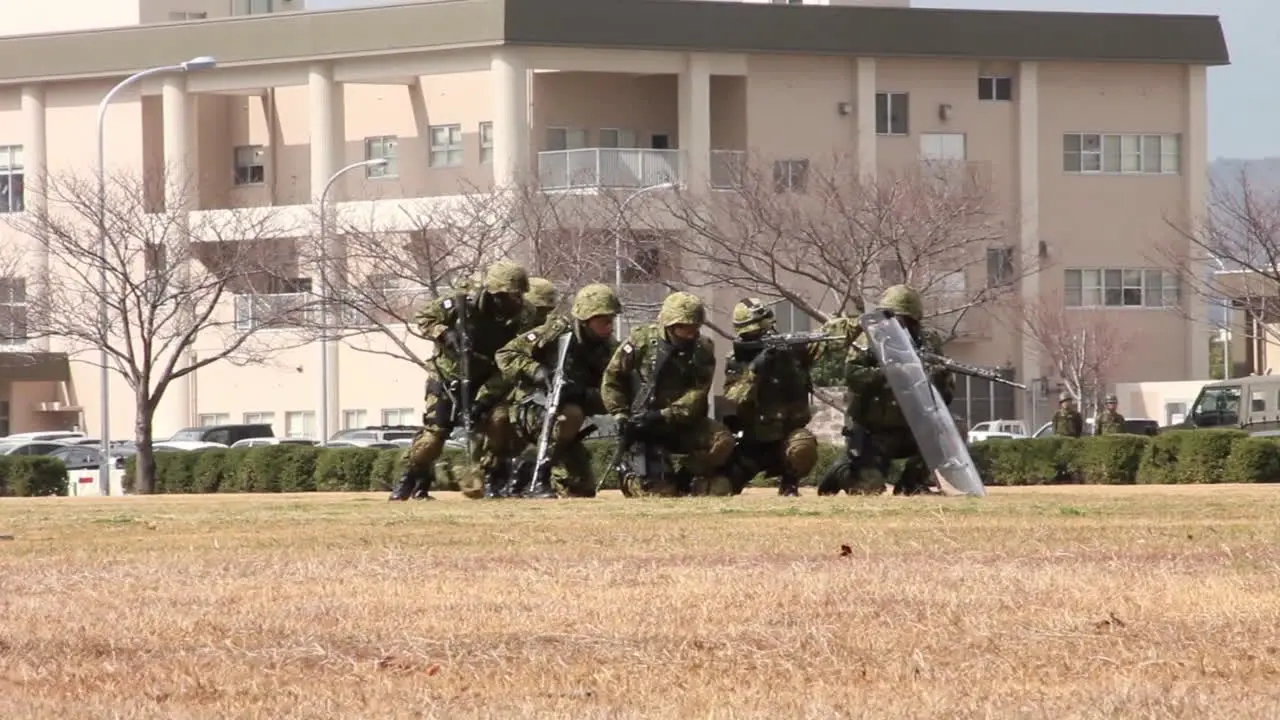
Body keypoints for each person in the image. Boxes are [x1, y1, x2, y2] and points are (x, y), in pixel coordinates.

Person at [388, 260, 530, 501]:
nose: (516, 301)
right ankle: (411, 479)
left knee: (501, 421)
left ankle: (492, 478)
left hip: (489, 379)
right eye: (511, 296)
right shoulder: (462, 303)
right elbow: (424, 318)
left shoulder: (523, 316)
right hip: (447, 376)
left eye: (519, 295)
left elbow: (513, 360)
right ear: (495, 293)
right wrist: (446, 334)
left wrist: (484, 400)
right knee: (433, 437)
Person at [487, 283, 622, 498]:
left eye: (611, 320)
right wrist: (536, 370)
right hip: (532, 409)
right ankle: (533, 476)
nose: (609, 326)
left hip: (564, 425)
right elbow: (505, 354)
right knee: (571, 414)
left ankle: (524, 469)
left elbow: (614, 394)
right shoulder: (555, 333)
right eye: (603, 321)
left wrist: (583, 394)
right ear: (585, 320)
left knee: (582, 489)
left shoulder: (609, 350)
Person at [600, 291, 734, 497]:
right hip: (644, 429)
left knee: (722, 440)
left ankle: (686, 477)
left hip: (682, 423)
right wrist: (620, 414)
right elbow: (612, 379)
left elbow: (698, 392)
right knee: (659, 494)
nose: (690, 334)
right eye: (684, 329)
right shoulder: (640, 341)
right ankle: (633, 478)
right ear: (669, 326)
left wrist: (664, 415)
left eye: (694, 328)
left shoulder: (703, 348)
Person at [721, 298, 853, 496]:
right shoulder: (737, 360)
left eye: (759, 332)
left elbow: (829, 339)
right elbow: (734, 397)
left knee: (802, 446)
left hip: (787, 437)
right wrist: (756, 368)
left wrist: (854, 324)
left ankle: (790, 484)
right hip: (752, 442)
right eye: (750, 334)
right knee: (718, 488)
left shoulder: (792, 350)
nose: (756, 336)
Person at [837, 284, 955, 496]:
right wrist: (891, 373)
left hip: (913, 430)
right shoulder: (869, 339)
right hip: (874, 433)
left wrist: (936, 376)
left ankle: (912, 483)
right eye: (893, 320)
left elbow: (946, 397)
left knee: (951, 428)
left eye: (905, 321)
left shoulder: (928, 342)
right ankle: (843, 472)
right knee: (869, 489)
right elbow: (853, 376)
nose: (899, 326)